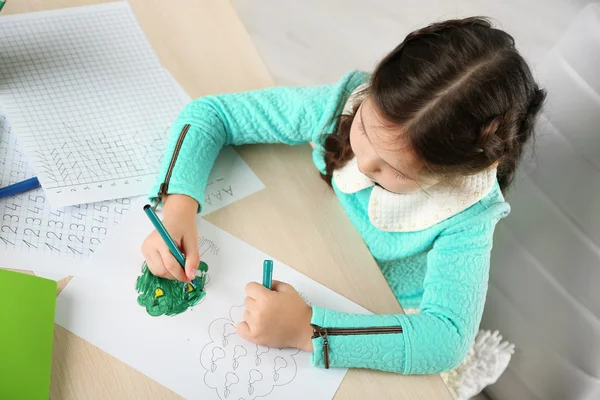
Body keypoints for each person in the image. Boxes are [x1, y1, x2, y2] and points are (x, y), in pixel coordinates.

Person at [142, 17, 545, 376]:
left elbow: (446, 340)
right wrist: (177, 203)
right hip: (318, 253)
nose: (365, 160)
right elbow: (212, 115)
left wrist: (309, 332)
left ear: (451, 176)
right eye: (366, 129)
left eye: (394, 169)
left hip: (378, 316)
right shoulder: (345, 102)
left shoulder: (467, 214)